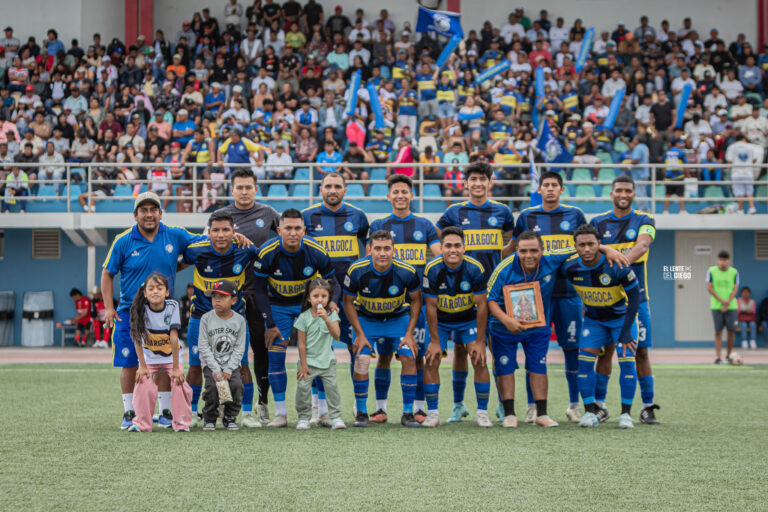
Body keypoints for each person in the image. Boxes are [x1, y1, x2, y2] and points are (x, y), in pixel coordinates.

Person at [101, 192, 245, 430]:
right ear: (135, 215)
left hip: (163, 310)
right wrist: (108, 307)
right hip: (130, 310)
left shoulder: (175, 234)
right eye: (143, 210)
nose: (149, 214)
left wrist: (232, 237)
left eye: (153, 210)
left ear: (160, 213)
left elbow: (203, 242)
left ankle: (165, 411)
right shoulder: (123, 240)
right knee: (129, 362)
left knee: (164, 359)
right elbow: (108, 273)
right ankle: (129, 411)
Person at [487, 231, 626, 427]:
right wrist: (506, 320)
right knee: (505, 368)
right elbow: (490, 299)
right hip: (503, 326)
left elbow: (581, 247)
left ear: (543, 250)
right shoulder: (504, 268)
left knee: (538, 366)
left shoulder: (551, 259)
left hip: (537, 327)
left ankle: (542, 414)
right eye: (524, 251)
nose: (529, 255)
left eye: (534, 250)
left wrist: (606, 248)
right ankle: (510, 414)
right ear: (516, 250)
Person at [436, 162, 515, 423]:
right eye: (473, 179)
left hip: (495, 292)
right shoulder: (454, 212)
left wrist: (498, 264)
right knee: (461, 350)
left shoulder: (502, 211)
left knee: (494, 346)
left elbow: (511, 244)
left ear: (489, 182)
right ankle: (459, 404)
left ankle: (504, 404)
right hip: (462, 293)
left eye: (483, 179)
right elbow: (440, 241)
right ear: (466, 183)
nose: (478, 184)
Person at [511, 171, 587, 424]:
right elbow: (513, 252)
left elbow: (586, 247)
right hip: (535, 296)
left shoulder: (574, 215)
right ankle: (532, 405)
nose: (551, 189)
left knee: (572, 350)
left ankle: (574, 404)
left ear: (562, 189)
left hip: (568, 294)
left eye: (555, 185)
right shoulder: (526, 216)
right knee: (533, 351)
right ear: (539, 189)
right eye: (546, 185)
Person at [253, 209, 337, 428]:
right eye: (288, 228)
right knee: (276, 357)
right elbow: (259, 291)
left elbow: (332, 280)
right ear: (279, 230)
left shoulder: (316, 251)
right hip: (278, 308)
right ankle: (281, 414)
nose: (293, 233)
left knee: (318, 357)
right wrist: (269, 323)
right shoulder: (267, 252)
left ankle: (323, 412)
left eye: (297, 228)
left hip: (307, 307)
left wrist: (331, 303)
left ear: (304, 230)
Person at [367, 174, 441, 423]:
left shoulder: (425, 225)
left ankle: (418, 409)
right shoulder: (378, 224)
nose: (400, 196)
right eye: (395, 192)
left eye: (404, 192)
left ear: (412, 195)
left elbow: (439, 257)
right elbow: (369, 261)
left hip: (416, 303)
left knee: (415, 355)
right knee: (385, 356)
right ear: (388, 196)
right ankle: (380, 408)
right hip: (387, 304)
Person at [590, 176, 660, 424]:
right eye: (619, 190)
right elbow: (590, 249)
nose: (623, 194)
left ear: (633, 194)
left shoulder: (645, 220)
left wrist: (620, 261)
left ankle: (647, 406)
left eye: (628, 190)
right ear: (611, 194)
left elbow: (642, 245)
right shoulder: (597, 222)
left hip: (637, 300)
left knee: (640, 352)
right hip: (606, 301)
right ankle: (599, 405)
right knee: (605, 352)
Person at [181, 210, 260, 428]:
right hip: (201, 317)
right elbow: (177, 264)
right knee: (196, 365)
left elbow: (262, 259)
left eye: (226, 229)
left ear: (234, 231)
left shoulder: (245, 249)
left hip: (236, 318)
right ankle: (191, 412)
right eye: (215, 230)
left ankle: (246, 413)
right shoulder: (196, 251)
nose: (221, 234)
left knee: (242, 365)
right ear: (209, 232)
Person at [560, 224, 640, 429]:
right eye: (582, 245)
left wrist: (625, 332)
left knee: (627, 363)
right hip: (594, 321)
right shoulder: (569, 267)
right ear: (575, 246)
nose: (586, 249)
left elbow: (635, 298)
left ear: (599, 244)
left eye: (591, 244)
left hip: (622, 319)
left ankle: (625, 415)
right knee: (584, 364)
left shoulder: (617, 264)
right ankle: (590, 412)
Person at [216, 168, 280, 423]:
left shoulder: (268, 213)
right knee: (222, 355)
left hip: (258, 294)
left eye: (248, 187)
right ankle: (223, 405)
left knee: (259, 351)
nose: (244, 192)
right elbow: (208, 244)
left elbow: (287, 236)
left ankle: (261, 403)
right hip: (227, 297)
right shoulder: (221, 216)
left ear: (256, 189)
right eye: (239, 187)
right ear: (232, 190)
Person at [302, 172, 370, 406]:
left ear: (345, 190)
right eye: (328, 186)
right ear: (320, 189)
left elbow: (368, 247)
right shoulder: (307, 216)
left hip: (351, 296)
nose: (333, 190)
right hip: (319, 298)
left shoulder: (358, 216)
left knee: (356, 347)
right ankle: (318, 406)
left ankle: (358, 404)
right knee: (318, 351)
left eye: (337, 186)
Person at [343, 230, 423, 428]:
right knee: (361, 359)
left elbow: (416, 300)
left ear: (393, 250)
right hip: (367, 319)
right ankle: (361, 412)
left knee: (408, 354)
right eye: (377, 248)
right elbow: (347, 302)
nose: (382, 253)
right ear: (369, 250)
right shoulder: (356, 270)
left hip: (397, 319)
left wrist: (409, 334)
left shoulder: (407, 271)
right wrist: (360, 335)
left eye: (387, 248)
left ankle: (407, 413)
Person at [422, 227, 489, 427]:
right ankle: (433, 413)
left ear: (464, 247)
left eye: (457, 245)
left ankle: (482, 412)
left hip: (468, 319)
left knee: (479, 359)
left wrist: (479, 341)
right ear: (441, 248)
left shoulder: (475, 268)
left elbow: (482, 305)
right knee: (432, 359)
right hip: (441, 321)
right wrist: (435, 341)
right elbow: (431, 307)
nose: (453, 250)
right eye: (448, 245)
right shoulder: (432, 269)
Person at [128, 272, 192, 432]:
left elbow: (174, 338)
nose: (155, 291)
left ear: (167, 292)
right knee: (142, 381)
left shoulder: (172, 306)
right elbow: (137, 338)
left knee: (180, 383)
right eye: (151, 288)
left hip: (171, 358)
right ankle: (142, 424)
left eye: (159, 288)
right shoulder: (139, 309)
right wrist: (142, 366)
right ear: (145, 293)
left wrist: (177, 368)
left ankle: (181, 423)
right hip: (149, 359)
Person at [295, 278, 346, 430]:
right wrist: (303, 364)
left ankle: (335, 417)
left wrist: (325, 318)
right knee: (303, 390)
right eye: (316, 296)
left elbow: (336, 334)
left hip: (327, 362)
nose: (319, 300)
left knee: (332, 390)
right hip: (308, 363)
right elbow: (301, 344)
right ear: (309, 298)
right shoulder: (303, 317)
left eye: (324, 296)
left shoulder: (331, 315)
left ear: (329, 298)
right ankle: (304, 418)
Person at [198, 280, 247, 431]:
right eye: (214, 296)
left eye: (222, 296)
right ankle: (210, 417)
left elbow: (239, 347)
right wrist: (215, 369)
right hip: (211, 364)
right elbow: (203, 346)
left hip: (230, 365)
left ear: (233, 300)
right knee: (213, 388)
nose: (217, 300)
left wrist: (229, 369)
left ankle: (230, 416)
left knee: (236, 386)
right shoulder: (206, 318)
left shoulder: (239, 320)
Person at [706, 251, 740, 364]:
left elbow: (735, 289)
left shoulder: (734, 272)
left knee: (731, 331)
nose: (722, 262)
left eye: (725, 259)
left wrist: (727, 302)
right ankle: (718, 357)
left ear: (728, 261)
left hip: (731, 306)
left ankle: (729, 355)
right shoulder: (711, 271)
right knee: (718, 332)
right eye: (720, 259)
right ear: (718, 260)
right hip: (716, 307)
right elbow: (710, 288)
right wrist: (722, 302)